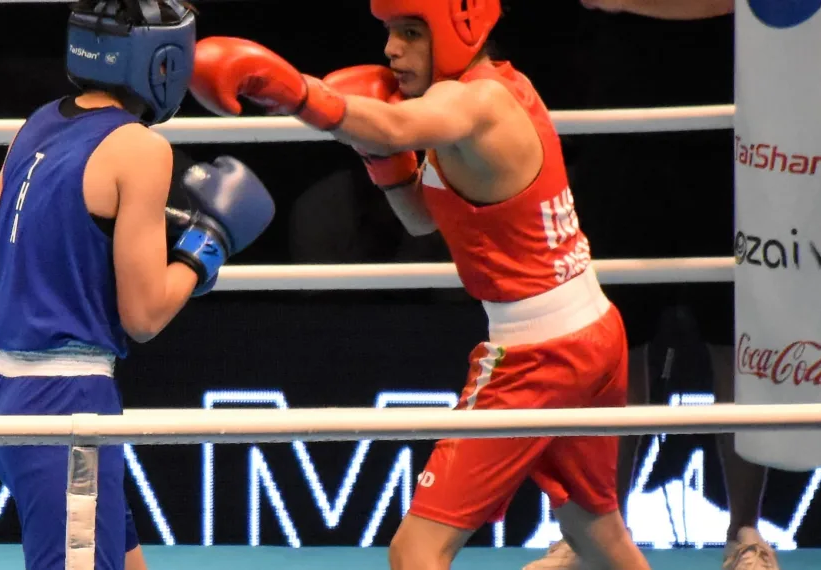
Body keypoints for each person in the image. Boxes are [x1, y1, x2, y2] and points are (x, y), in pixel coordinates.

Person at [187, 1, 650, 568]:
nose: (390, 50)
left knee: (415, 552)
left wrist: (295, 91)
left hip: (540, 352)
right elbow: (421, 218)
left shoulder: (473, 101)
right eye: (389, 33)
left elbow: (393, 124)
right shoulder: (483, 92)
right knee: (592, 528)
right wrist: (379, 157)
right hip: (591, 329)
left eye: (410, 33)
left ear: (460, 29)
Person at [0, 1, 275, 569]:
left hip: (6, 397)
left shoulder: (36, 123)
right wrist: (208, 246)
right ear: (164, 61)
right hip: (70, 410)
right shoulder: (142, 148)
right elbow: (144, 315)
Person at [526, 2, 781, 570]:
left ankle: (745, 533)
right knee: (614, 340)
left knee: (735, 341)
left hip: (733, 122)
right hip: (623, 122)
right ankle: (597, 534)